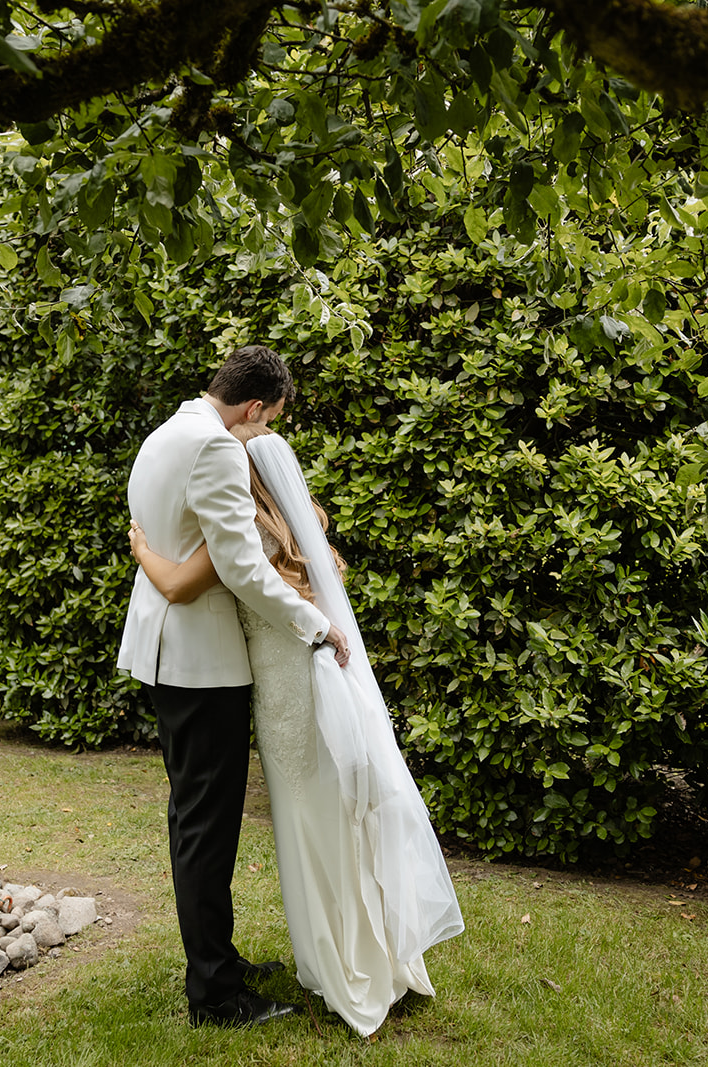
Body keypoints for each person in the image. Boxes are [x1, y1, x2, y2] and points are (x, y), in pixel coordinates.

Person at [129, 421, 465, 1037]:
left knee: (298, 828)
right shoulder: (281, 525)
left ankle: (255, 971)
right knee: (320, 825)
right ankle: (247, 970)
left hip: (283, 693)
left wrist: (143, 550)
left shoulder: (241, 530)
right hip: (291, 689)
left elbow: (179, 583)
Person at [116, 344, 351, 1028]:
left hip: (168, 651)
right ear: (255, 406)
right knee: (205, 826)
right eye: (268, 422)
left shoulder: (168, 430)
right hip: (200, 660)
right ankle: (215, 995)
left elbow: (170, 540)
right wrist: (315, 625)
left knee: (199, 820)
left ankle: (219, 960)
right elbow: (242, 566)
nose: (263, 438)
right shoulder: (217, 447)